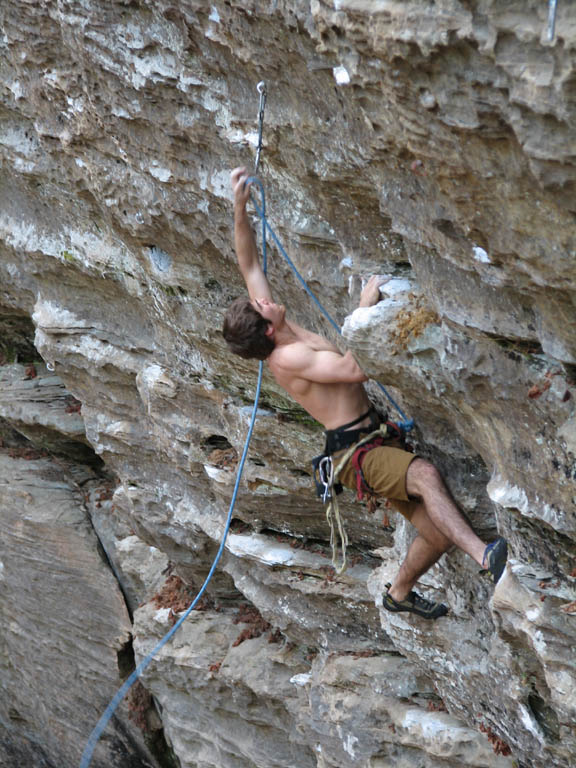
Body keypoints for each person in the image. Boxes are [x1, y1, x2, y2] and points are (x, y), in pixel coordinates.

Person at [222, 167, 507, 620]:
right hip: (357, 452)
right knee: (426, 476)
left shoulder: (277, 329)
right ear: (269, 328)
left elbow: (249, 263)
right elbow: (355, 369)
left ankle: (398, 593)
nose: (264, 297)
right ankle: (485, 555)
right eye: (262, 306)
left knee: (434, 533)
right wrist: (362, 312)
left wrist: (238, 206)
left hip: (369, 439)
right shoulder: (288, 357)